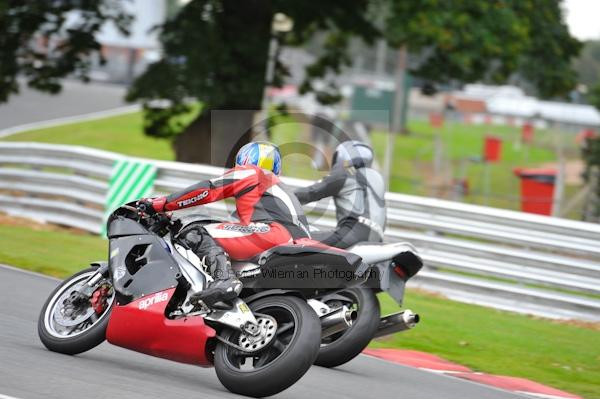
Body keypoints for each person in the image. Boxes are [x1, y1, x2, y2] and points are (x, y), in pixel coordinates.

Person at [140, 141, 310, 305]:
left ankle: (224, 279)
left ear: (245, 159)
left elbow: (208, 190)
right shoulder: (279, 190)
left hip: (273, 234)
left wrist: (160, 204)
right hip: (299, 244)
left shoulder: (252, 173)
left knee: (195, 231)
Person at [295, 140, 386, 249]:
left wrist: (284, 197)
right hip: (377, 241)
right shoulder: (377, 178)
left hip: (351, 234)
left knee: (297, 239)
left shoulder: (345, 174)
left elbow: (312, 192)